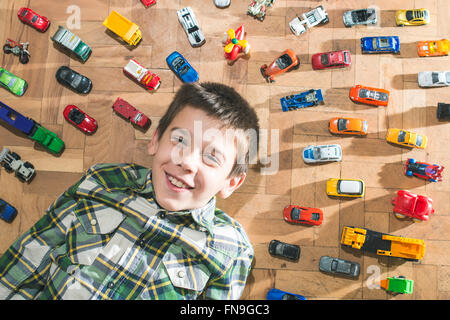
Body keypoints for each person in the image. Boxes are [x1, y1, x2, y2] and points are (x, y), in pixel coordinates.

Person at [0, 82, 260, 300]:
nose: (187, 162)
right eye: (180, 140)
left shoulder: (231, 250)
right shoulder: (104, 181)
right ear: (156, 140)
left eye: (211, 157)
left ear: (231, 182)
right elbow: (30, 258)